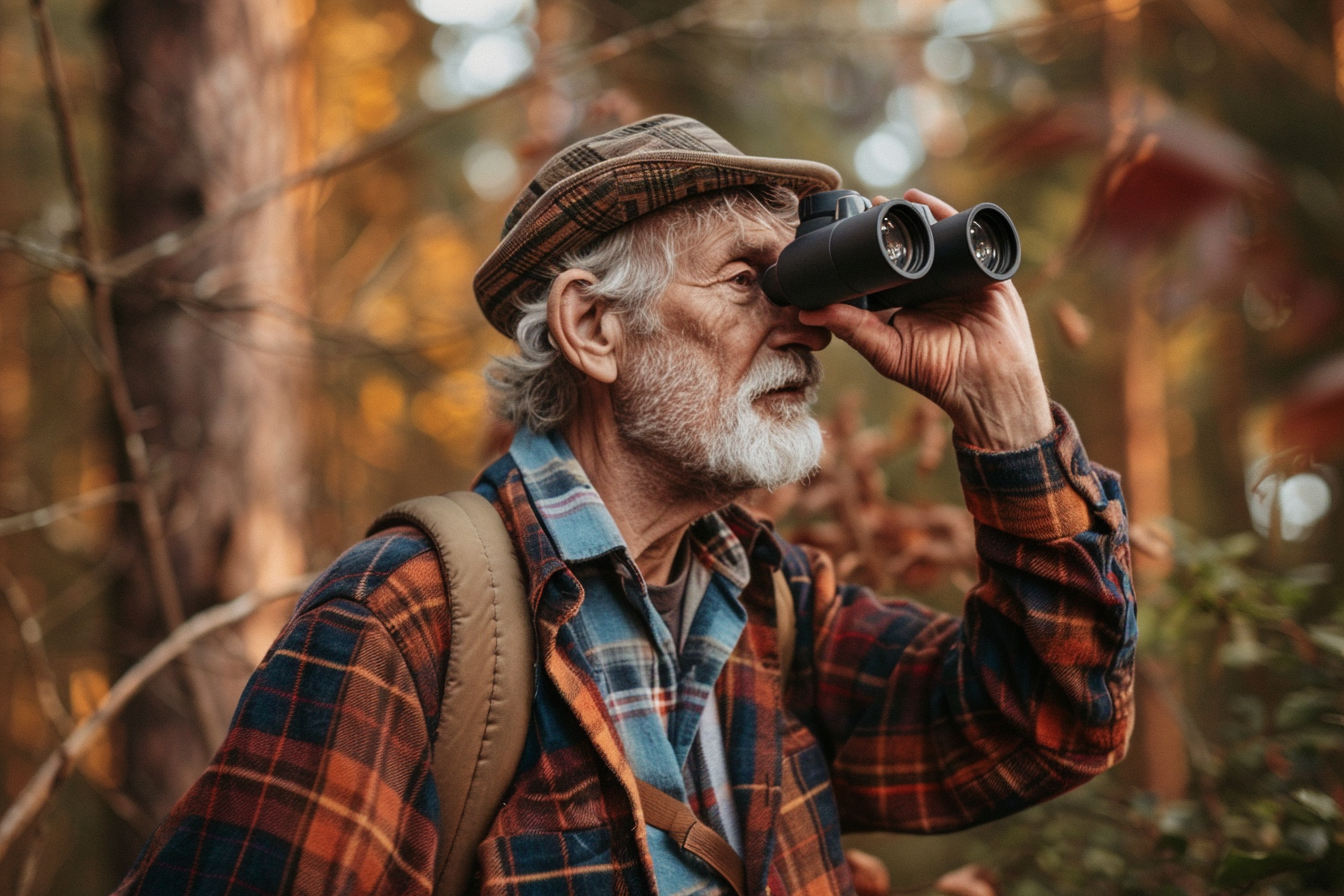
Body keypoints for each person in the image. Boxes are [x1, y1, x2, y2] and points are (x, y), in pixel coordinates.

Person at [113, 115, 1136, 896]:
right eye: (752, 281)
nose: (811, 328)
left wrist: (1002, 407)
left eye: (806, 279)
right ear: (595, 327)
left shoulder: (772, 609)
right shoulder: (410, 617)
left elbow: (1049, 719)